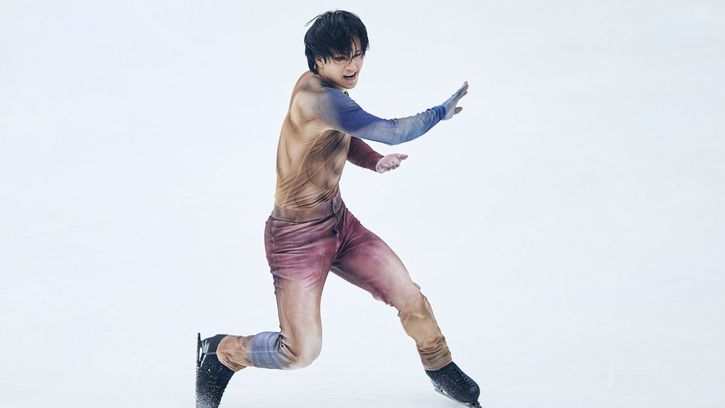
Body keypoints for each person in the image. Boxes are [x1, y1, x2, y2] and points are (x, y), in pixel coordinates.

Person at [196, 9, 481, 408]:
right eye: (342, 57)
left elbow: (339, 135)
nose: (352, 65)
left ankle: (440, 365)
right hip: (295, 240)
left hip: (339, 224)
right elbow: (390, 130)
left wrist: (373, 161)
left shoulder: (325, 91)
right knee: (299, 351)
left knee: (408, 294)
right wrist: (439, 113)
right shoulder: (320, 99)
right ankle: (221, 352)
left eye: (358, 54)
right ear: (318, 60)